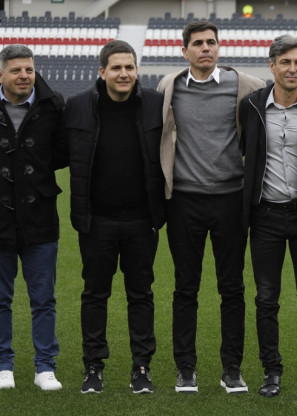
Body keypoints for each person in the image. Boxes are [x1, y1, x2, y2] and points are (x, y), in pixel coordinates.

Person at [157, 21, 265, 394]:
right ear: (184, 50)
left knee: (231, 288)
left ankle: (231, 369)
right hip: (183, 202)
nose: (206, 48)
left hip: (230, 201)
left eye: (212, 42)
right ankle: (185, 369)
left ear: (219, 48)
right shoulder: (168, 88)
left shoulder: (245, 85)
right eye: (199, 43)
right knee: (185, 289)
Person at [64, 40, 165, 394]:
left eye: (130, 67)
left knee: (141, 295)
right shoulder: (77, 107)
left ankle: (141, 368)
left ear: (137, 70)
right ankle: (93, 368)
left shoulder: (156, 103)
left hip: (142, 220)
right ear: (102, 71)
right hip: (96, 221)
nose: (124, 74)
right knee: (95, 294)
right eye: (117, 67)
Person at [239, 35, 297, 399]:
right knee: (267, 298)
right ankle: (271, 371)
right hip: (264, 217)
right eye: (286, 62)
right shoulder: (251, 106)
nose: (292, 69)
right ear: (272, 65)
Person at [0, 44, 66, 391]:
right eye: (16, 70)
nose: (24, 75)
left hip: (40, 217)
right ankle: (3, 366)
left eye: (28, 69)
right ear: (2, 74)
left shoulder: (53, 107)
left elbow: (61, 153)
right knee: (0, 299)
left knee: (44, 299)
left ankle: (45, 367)